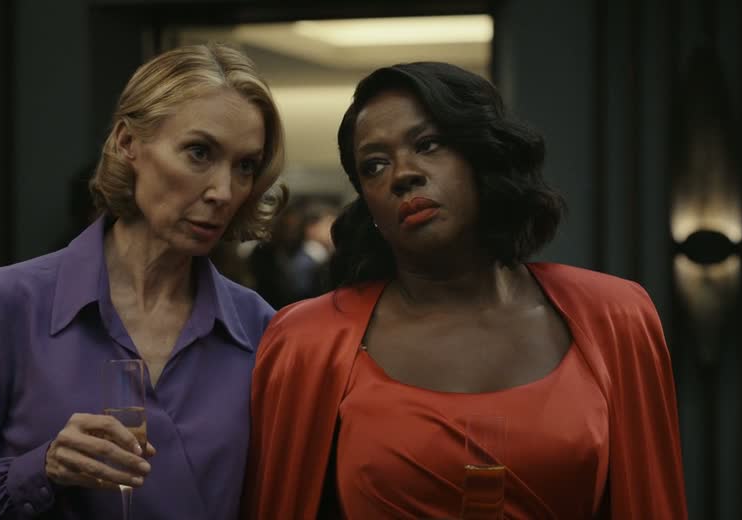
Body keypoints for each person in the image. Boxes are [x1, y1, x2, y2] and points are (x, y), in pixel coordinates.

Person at [243, 62, 687, 518]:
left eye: (428, 144)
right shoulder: (309, 341)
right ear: (368, 205)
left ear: (482, 155)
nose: (403, 174)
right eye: (374, 165)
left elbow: (650, 501)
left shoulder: (615, 317)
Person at [0, 43, 285, 519]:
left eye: (245, 166)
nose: (224, 191)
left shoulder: (262, 329)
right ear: (128, 143)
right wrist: (41, 468)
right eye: (199, 152)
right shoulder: (9, 304)